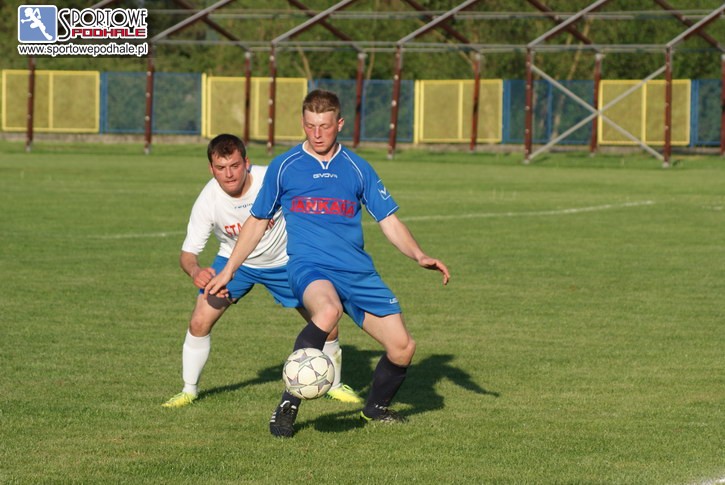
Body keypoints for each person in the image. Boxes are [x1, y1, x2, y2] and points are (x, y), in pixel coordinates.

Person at [205, 90, 450, 438]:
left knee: (403, 348)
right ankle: (288, 403)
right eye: (309, 126)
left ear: (340, 124)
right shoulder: (285, 166)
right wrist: (229, 270)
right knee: (328, 311)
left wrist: (419, 255)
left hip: (357, 272)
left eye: (324, 126)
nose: (317, 134)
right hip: (310, 267)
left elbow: (388, 220)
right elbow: (257, 221)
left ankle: (375, 409)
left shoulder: (358, 168)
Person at [162, 133, 362, 408]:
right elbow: (187, 255)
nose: (229, 174)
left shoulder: (272, 177)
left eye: (235, 165)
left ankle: (335, 385)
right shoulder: (208, 200)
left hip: (287, 262)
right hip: (235, 266)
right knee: (199, 321)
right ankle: (189, 390)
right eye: (221, 168)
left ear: (247, 163)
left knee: (327, 323)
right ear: (211, 169)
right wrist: (196, 271)